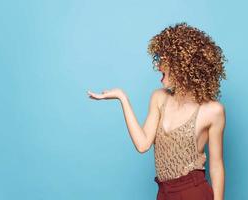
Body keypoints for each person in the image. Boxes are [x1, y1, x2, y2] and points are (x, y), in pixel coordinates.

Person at [87, 22, 226, 200]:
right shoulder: (159, 97)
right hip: (164, 192)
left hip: (193, 191)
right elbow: (143, 144)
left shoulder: (213, 111)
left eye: (163, 60)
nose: (158, 66)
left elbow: (216, 166)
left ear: (181, 64)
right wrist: (122, 98)